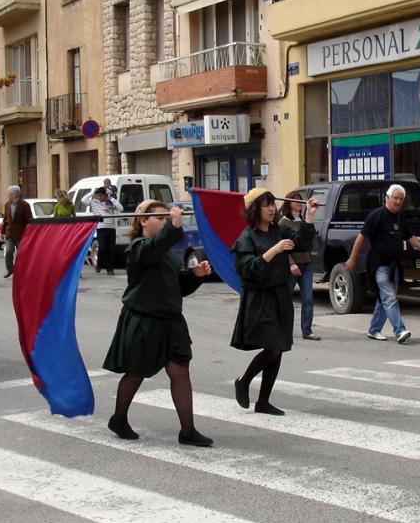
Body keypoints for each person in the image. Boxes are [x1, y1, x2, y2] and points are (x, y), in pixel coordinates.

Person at [104, 200, 214, 445]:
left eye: (166, 218)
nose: (165, 222)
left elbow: (177, 288)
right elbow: (153, 248)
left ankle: (188, 431)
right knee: (136, 373)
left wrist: (194, 276)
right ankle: (119, 419)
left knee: (180, 371)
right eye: (160, 218)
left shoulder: (167, 253)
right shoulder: (138, 248)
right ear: (143, 220)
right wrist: (174, 226)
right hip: (144, 321)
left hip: (171, 322)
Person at [232, 188, 318, 415]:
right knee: (273, 346)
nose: (272, 208)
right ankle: (243, 381)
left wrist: (309, 216)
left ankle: (263, 401)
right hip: (260, 298)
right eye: (266, 204)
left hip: (281, 295)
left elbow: (302, 244)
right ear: (254, 209)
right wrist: (275, 250)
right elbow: (248, 269)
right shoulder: (247, 237)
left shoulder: (280, 229)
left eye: (272, 203)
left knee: (278, 347)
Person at [344, 184, 420, 344]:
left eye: (401, 199)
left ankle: (374, 329)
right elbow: (361, 237)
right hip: (379, 265)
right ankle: (400, 330)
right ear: (387, 198)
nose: (398, 202)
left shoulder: (400, 217)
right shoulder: (376, 216)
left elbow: (409, 236)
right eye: (395, 198)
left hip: (394, 266)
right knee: (390, 298)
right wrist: (353, 258)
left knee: (384, 299)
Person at [279, 193, 319, 341]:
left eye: (300, 200)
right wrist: (291, 263)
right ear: (289, 203)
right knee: (286, 298)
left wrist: (310, 216)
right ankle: (283, 328)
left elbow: (308, 240)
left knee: (308, 298)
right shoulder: (283, 223)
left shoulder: (303, 220)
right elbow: (281, 246)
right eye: (295, 200)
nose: (299, 202)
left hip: (306, 264)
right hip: (292, 265)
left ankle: (307, 330)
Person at [82, 187, 122, 274]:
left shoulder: (110, 202)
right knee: (103, 248)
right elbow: (83, 200)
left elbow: (120, 208)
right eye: (98, 196)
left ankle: (110, 269)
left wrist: (111, 199)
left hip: (111, 228)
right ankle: (99, 264)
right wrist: (93, 192)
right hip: (101, 228)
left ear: (105, 195)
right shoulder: (94, 202)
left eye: (101, 196)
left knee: (111, 249)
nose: (99, 198)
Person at [2, 185, 32, 278]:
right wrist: (2, 232)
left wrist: (29, 233)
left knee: (22, 254)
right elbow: (5, 219)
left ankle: (23, 271)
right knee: (8, 251)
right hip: (9, 233)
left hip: (21, 234)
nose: (8, 195)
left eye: (9, 194)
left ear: (14, 194)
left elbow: (29, 220)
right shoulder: (7, 204)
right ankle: (10, 269)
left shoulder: (24, 205)